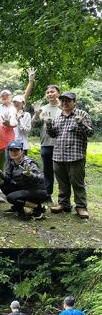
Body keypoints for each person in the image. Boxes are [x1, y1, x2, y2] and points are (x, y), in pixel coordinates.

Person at [46, 91, 94, 219]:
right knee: (62, 183)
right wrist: (48, 124)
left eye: (68, 100)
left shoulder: (82, 114)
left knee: (77, 183)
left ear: (74, 102)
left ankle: (81, 207)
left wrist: (81, 123)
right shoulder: (58, 117)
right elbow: (53, 134)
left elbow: (90, 133)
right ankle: (64, 204)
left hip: (75, 156)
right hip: (58, 156)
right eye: (63, 101)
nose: (65, 103)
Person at [0, 140, 47, 219]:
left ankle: (38, 208)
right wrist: (0, 173)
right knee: (3, 185)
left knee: (11, 197)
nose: (13, 152)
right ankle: (18, 207)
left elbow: (41, 179)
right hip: (24, 189)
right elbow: (8, 179)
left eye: (16, 150)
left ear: (22, 151)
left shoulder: (28, 163)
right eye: (11, 150)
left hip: (37, 192)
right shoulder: (11, 162)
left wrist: (30, 175)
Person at [31, 85, 62, 202]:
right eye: (47, 92)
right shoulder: (43, 108)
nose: (50, 94)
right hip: (46, 144)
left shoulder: (63, 108)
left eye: (52, 92)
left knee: (61, 172)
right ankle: (48, 195)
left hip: (61, 145)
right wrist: (37, 113)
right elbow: (34, 125)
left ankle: (63, 197)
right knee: (47, 171)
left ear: (58, 93)